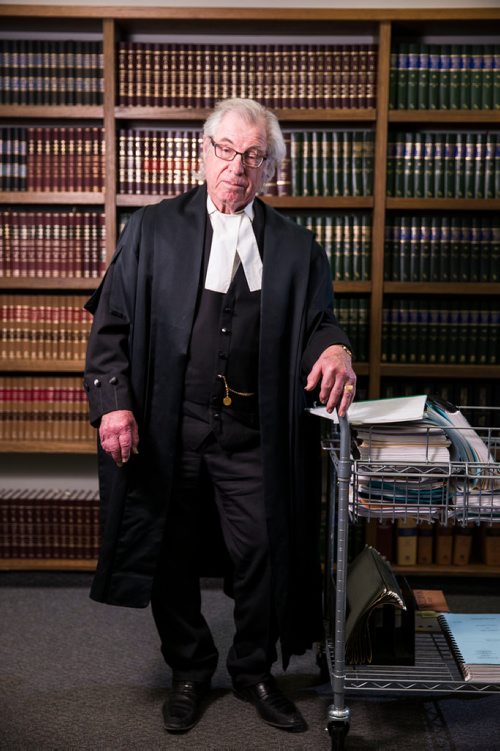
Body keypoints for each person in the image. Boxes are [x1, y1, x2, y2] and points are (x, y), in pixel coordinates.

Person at [83, 97, 356, 735]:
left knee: (264, 548)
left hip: (251, 438)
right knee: (168, 553)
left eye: (254, 156)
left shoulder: (295, 246)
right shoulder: (152, 229)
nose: (237, 167)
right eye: (227, 151)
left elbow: (319, 323)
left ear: (270, 170)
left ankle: (254, 670)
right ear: (204, 153)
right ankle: (188, 668)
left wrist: (337, 346)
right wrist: (113, 403)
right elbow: (112, 325)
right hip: (169, 427)